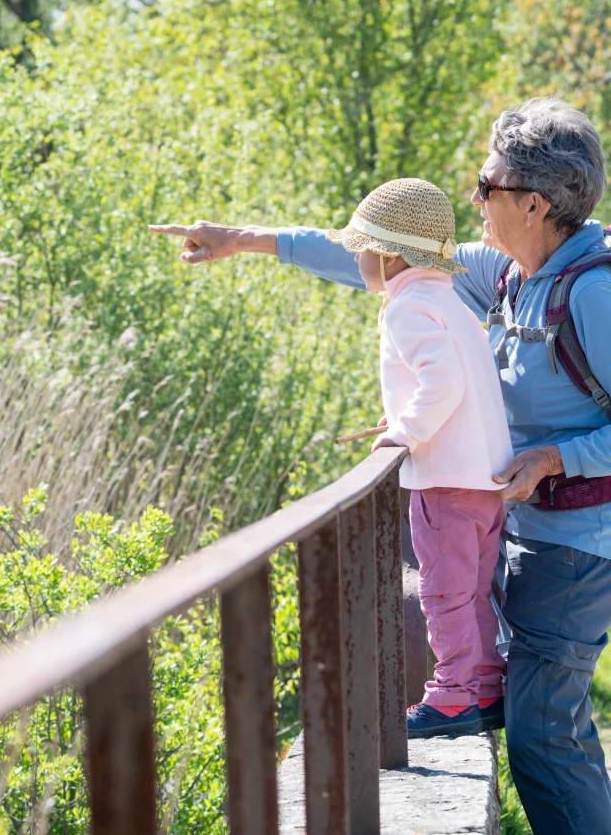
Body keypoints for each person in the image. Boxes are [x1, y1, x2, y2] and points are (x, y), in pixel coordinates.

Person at [149, 97, 611, 834]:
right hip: (529, 528)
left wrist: (560, 453)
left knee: (546, 737)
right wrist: (242, 240)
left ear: (534, 201)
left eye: (484, 187)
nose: (474, 200)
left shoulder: (594, 290)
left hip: (580, 543)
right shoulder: (509, 271)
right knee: (539, 729)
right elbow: (377, 251)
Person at [325, 177, 513, 739]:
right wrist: (407, 414)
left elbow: (444, 380)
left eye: (361, 251)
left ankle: (452, 694)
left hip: (446, 485)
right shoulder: (448, 301)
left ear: (388, 257)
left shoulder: (405, 310)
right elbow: (464, 385)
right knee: (474, 588)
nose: (357, 261)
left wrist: (405, 431)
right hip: (485, 479)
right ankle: (485, 683)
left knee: (442, 592)